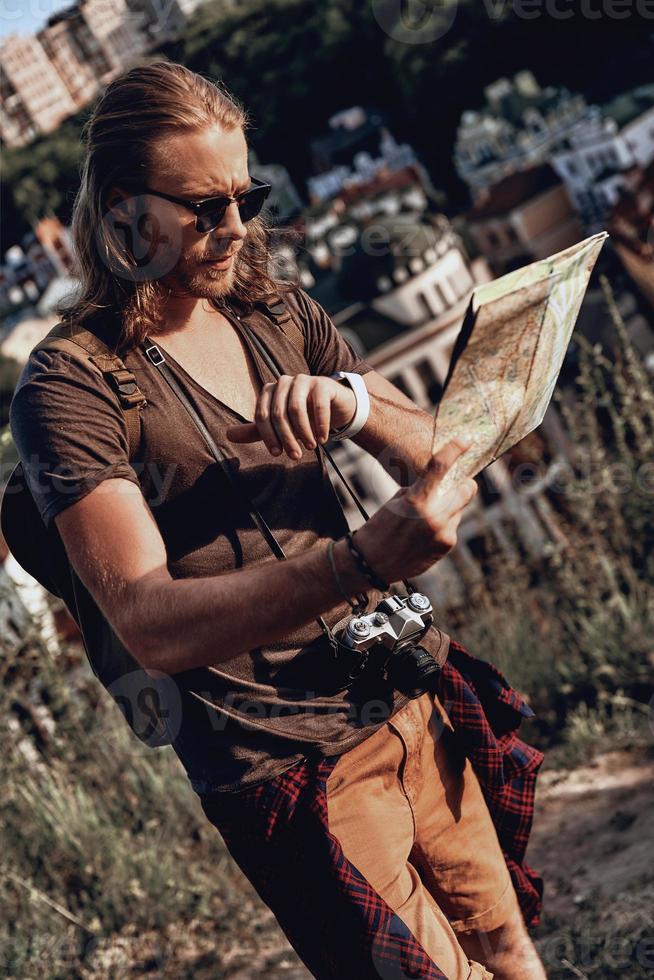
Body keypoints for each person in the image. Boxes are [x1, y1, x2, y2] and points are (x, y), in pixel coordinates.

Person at [9, 62, 546, 979]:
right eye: (203, 207)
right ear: (123, 216)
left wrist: (355, 401)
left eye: (244, 198)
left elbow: (439, 450)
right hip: (286, 765)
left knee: (506, 945)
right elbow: (146, 617)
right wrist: (357, 563)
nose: (234, 228)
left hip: (404, 694)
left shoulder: (276, 309)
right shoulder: (72, 384)